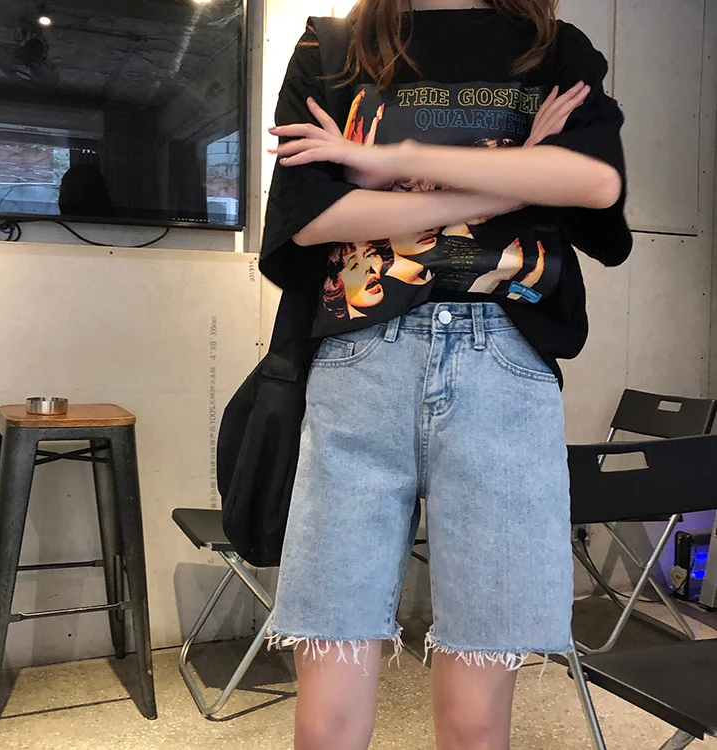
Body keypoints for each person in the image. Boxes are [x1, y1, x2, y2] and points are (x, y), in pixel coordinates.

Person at [260, 1, 632, 748]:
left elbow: (594, 182)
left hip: (504, 361)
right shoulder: (334, 45)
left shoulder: (551, 48)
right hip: (363, 358)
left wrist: (390, 162)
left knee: (476, 720)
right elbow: (309, 220)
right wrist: (517, 181)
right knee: (326, 713)